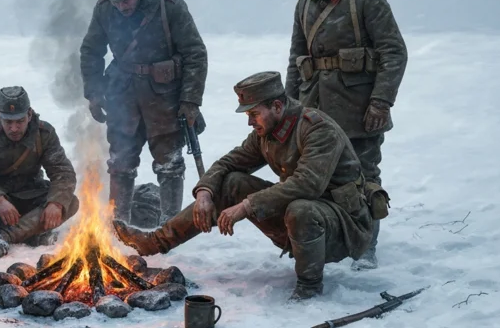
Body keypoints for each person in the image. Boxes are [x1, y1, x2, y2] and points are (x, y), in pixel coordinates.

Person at [114, 71, 374, 301]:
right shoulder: (268, 130)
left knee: (301, 209)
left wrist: (247, 206)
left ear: (276, 106)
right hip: (307, 221)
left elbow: (307, 184)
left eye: (253, 114)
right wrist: (205, 193)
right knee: (232, 182)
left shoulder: (317, 129)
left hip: (344, 226)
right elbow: (228, 163)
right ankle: (155, 242)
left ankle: (309, 286)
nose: (250, 122)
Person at [286, 0, 407, 270]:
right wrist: (289, 110)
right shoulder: (303, 5)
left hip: (359, 110)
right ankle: (332, 243)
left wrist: (381, 102)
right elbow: (297, 60)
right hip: (316, 112)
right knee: (319, 179)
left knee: (363, 179)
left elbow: (394, 52)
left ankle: (367, 248)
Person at [79, 0, 208, 226]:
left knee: (169, 163)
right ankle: (118, 224)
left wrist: (190, 101)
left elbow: (195, 54)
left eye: (125, 0)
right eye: (117, 2)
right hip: (122, 96)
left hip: (164, 98)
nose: (122, 7)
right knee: (120, 162)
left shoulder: (169, 8)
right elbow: (91, 51)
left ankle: (170, 226)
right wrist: (94, 93)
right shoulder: (105, 9)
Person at [0, 86, 79, 257]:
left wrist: (56, 203)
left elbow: (63, 172)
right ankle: (31, 234)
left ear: (29, 115)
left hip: (29, 197)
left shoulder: (44, 133)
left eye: (20, 121)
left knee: (70, 202)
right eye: (8, 122)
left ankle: (4, 235)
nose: (14, 128)